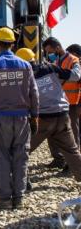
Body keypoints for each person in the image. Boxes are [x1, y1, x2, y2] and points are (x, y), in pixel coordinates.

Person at [0, 28, 39, 209]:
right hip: (22, 118)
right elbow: (33, 93)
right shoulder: (25, 65)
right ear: (12, 44)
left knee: (3, 157)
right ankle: (19, 198)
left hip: (1, 118)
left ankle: (5, 199)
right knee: (22, 157)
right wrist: (35, 116)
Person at [14, 48, 81, 183]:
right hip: (63, 115)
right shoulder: (50, 67)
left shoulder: (23, 77)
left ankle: (21, 183)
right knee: (72, 151)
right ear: (33, 58)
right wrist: (77, 64)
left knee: (23, 149)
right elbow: (75, 76)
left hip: (44, 119)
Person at [43, 37, 81, 168]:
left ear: (57, 48)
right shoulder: (57, 61)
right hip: (58, 103)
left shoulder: (73, 60)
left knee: (72, 134)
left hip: (72, 103)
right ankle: (58, 159)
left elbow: (76, 75)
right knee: (51, 133)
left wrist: (57, 71)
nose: (49, 54)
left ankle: (73, 164)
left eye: (50, 51)